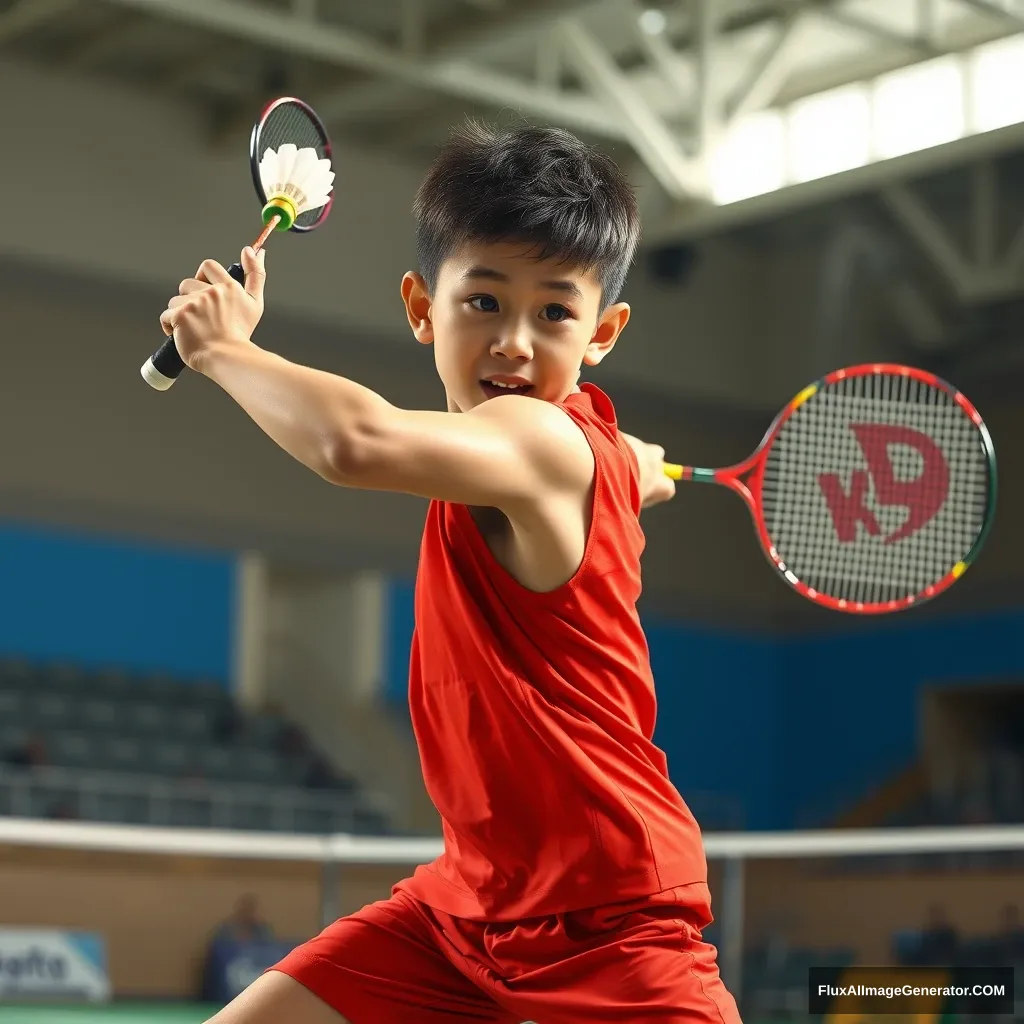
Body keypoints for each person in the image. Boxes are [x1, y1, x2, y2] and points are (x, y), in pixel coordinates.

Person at [162, 120, 740, 1024]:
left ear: (604, 333)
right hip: (461, 918)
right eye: (483, 302)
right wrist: (625, 469)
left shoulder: (544, 441)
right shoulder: (581, 453)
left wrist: (224, 349)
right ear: (420, 306)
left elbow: (353, 441)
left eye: (555, 312)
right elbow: (590, 461)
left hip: (612, 930)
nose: (515, 341)